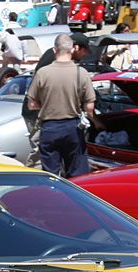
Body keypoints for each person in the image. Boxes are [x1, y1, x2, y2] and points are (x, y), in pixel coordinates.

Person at [26, 33, 102, 178]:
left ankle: (51, 199)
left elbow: (31, 104)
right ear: (72, 50)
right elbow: (89, 107)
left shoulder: (42, 73)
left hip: (49, 127)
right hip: (72, 127)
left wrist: (47, 105)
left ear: (55, 50)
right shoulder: (82, 73)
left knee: (50, 175)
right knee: (77, 174)